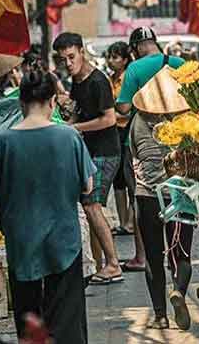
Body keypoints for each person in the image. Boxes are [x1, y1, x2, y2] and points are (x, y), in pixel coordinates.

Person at [0, 70, 94, 343]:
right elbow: (87, 187)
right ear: (53, 102)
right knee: (67, 322)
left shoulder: (3, 142)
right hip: (63, 240)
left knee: (28, 320)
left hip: (21, 242)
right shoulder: (69, 137)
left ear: (20, 102)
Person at [116, 27, 192, 331]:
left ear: (135, 49)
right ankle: (179, 291)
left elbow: (122, 108)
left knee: (153, 252)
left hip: (147, 184)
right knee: (182, 249)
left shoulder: (134, 69)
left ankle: (160, 315)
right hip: (182, 180)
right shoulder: (179, 65)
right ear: (156, 45)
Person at [52, 32, 123, 285]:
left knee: (92, 205)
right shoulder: (77, 81)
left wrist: (75, 129)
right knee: (90, 206)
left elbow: (109, 119)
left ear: (82, 51)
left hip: (106, 151)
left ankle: (113, 264)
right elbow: (78, 117)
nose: (69, 63)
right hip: (89, 152)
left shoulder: (98, 81)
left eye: (72, 57)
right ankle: (99, 264)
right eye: (64, 60)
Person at [106, 41, 146, 272]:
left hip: (126, 130)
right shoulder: (111, 79)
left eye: (116, 57)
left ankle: (131, 222)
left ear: (126, 59)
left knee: (132, 182)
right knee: (119, 181)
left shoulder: (129, 77)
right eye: (110, 56)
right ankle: (124, 222)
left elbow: (123, 108)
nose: (112, 61)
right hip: (114, 130)